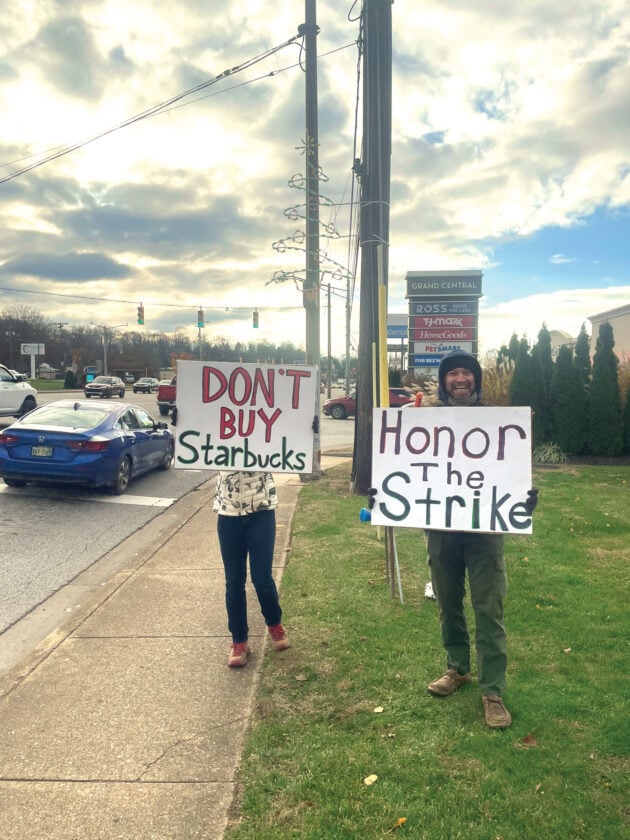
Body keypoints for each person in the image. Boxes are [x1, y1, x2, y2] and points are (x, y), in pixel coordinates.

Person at [425, 350, 538, 729]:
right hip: (441, 528)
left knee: (489, 608)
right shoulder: (425, 422)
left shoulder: (498, 421)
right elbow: (408, 466)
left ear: (476, 379)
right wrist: (388, 496)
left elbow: (510, 469)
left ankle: (492, 691)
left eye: (466, 372)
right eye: (453, 373)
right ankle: (457, 669)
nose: (460, 379)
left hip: (485, 530)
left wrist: (523, 498)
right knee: (448, 602)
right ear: (443, 381)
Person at [213, 470, 290, 668]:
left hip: (261, 508)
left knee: (262, 577)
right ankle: (239, 642)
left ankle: (275, 625)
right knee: (234, 581)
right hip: (228, 511)